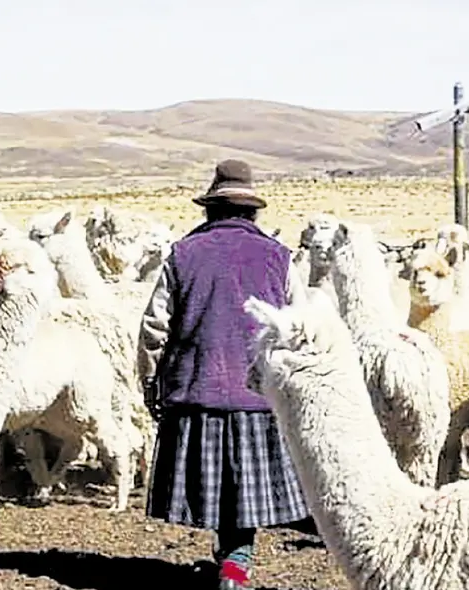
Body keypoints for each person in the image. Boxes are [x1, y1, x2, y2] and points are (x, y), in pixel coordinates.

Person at [137, 159, 311, 589]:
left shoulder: (182, 254)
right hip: (260, 395)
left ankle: (231, 560)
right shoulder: (279, 257)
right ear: (252, 211)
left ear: (210, 209)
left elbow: (154, 328)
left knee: (217, 485)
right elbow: (300, 325)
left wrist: (150, 381)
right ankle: (235, 562)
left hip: (195, 390)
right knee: (243, 488)